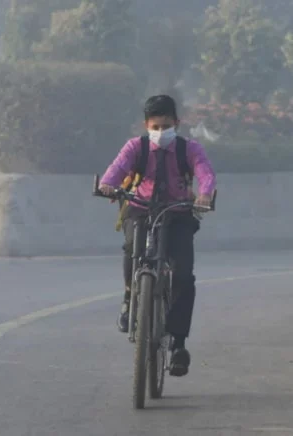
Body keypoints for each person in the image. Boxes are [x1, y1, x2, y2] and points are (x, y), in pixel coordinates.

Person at [98, 95, 216, 377]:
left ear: (177, 122)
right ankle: (130, 299)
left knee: (184, 276)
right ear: (146, 125)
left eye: (166, 126)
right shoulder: (135, 147)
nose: (161, 132)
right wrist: (107, 185)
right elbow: (116, 170)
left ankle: (178, 344)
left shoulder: (189, 149)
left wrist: (204, 195)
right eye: (156, 126)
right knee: (131, 249)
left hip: (178, 212)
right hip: (140, 209)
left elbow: (206, 174)